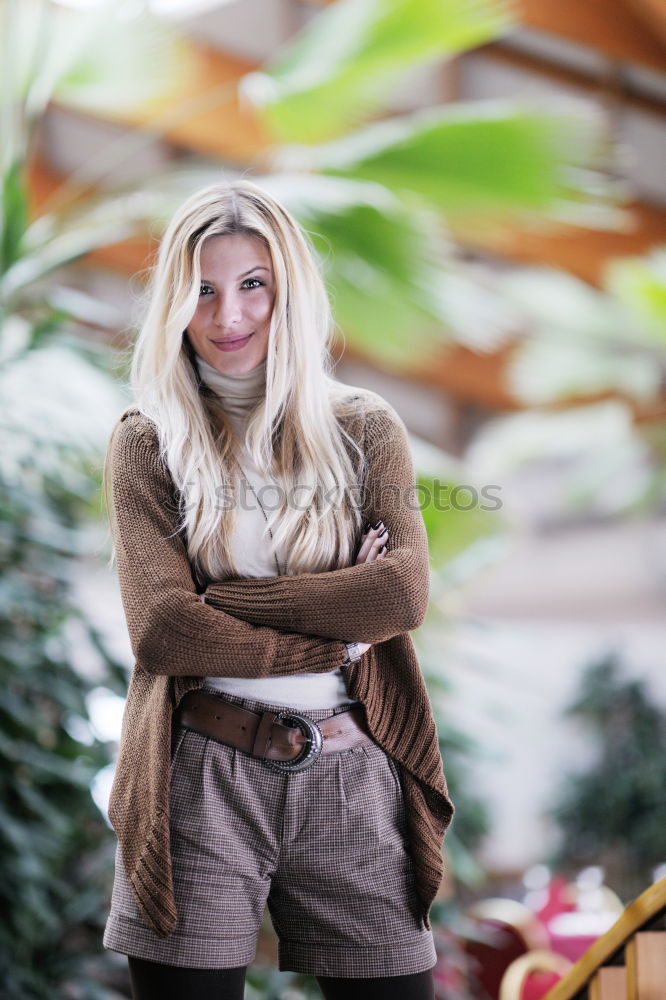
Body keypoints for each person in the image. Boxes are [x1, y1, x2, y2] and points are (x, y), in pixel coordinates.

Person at [101, 178, 454, 1000]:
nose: (229, 317)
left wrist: (218, 602)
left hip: (352, 773)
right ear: (175, 304)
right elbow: (163, 632)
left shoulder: (364, 427)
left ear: (287, 289)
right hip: (200, 777)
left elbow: (399, 597)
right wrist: (337, 627)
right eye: (204, 289)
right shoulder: (146, 442)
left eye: (253, 284)